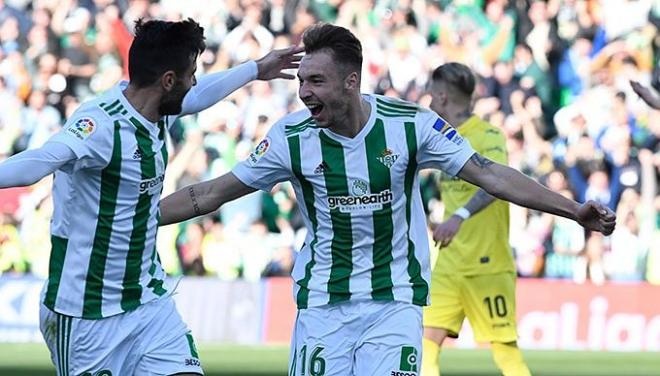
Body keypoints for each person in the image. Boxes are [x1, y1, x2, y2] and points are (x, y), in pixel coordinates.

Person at [159, 23, 615, 375]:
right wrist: (140, 216)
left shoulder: (410, 125)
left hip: (393, 302)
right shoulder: (290, 138)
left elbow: (490, 174)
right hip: (322, 305)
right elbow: (211, 192)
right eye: (302, 81)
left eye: (316, 81)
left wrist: (573, 210)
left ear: (351, 81)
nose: (304, 92)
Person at [0, 18, 302, 376]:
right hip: (86, 314)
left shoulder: (156, 108)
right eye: (190, 74)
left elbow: (200, 96)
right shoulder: (101, 125)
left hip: (148, 302)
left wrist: (256, 68)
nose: (194, 82)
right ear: (168, 81)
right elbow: (41, 160)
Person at [421, 63, 530, 376]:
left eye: (431, 96)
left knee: (506, 356)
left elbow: (499, 185)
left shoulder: (488, 135)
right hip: (449, 262)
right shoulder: (439, 138)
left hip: (488, 263)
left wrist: (459, 216)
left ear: (441, 97)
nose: (428, 103)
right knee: (425, 346)